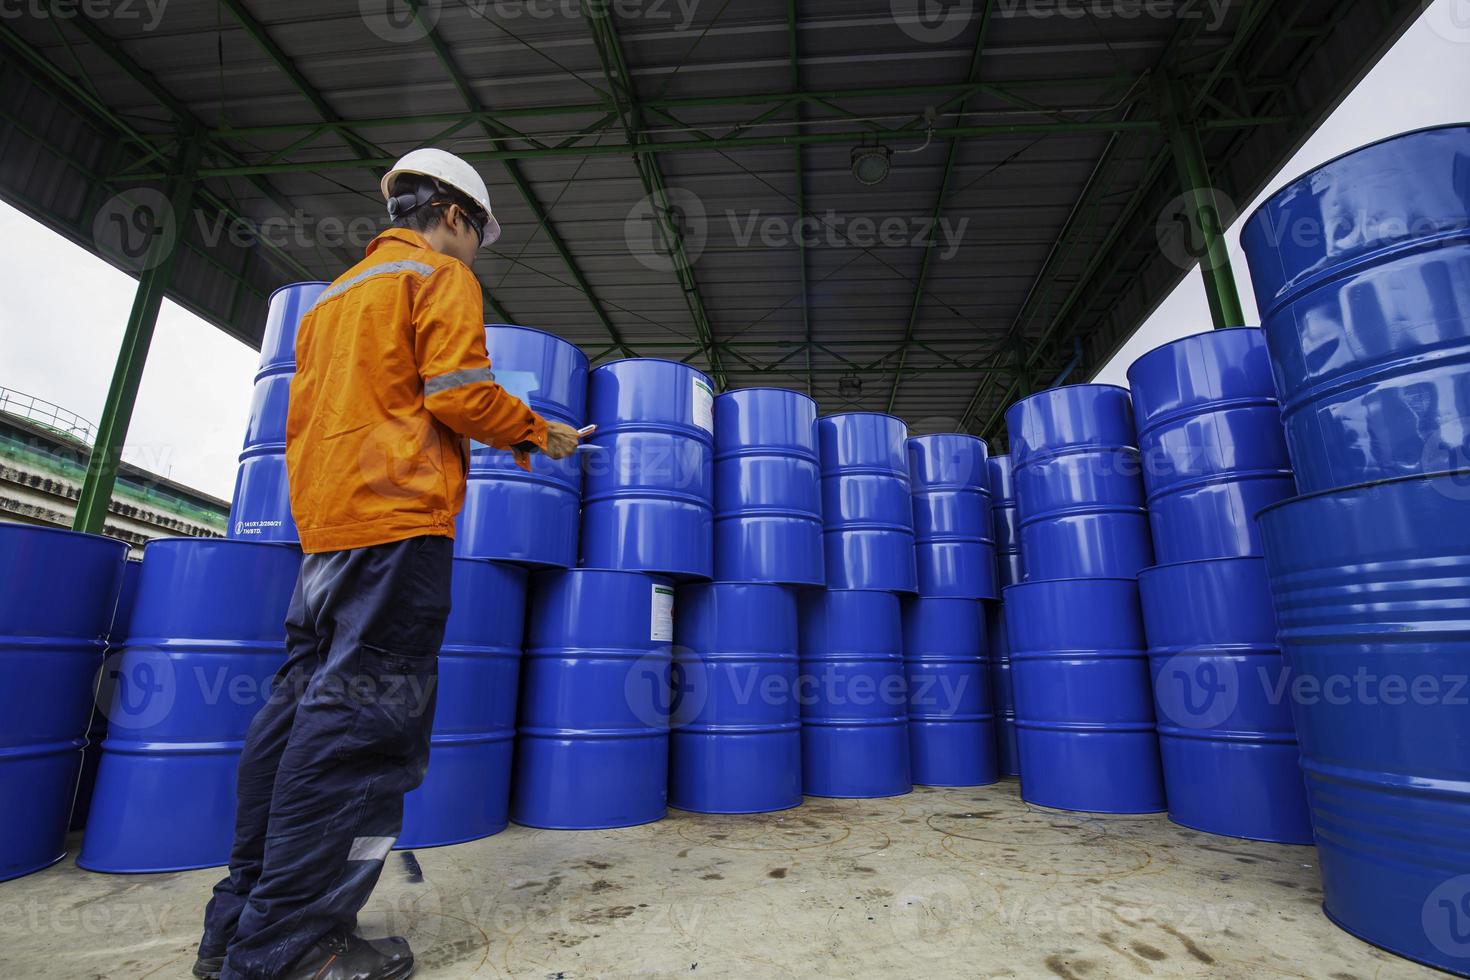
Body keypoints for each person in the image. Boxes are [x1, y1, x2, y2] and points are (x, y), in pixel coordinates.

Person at [193, 148, 582, 980]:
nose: (476, 250)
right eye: (478, 233)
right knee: (361, 732)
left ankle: (237, 926)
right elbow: (458, 392)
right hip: (399, 523)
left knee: (296, 716)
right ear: (451, 216)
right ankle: (292, 949)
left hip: (328, 531)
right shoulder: (436, 278)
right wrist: (535, 431)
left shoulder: (331, 301)